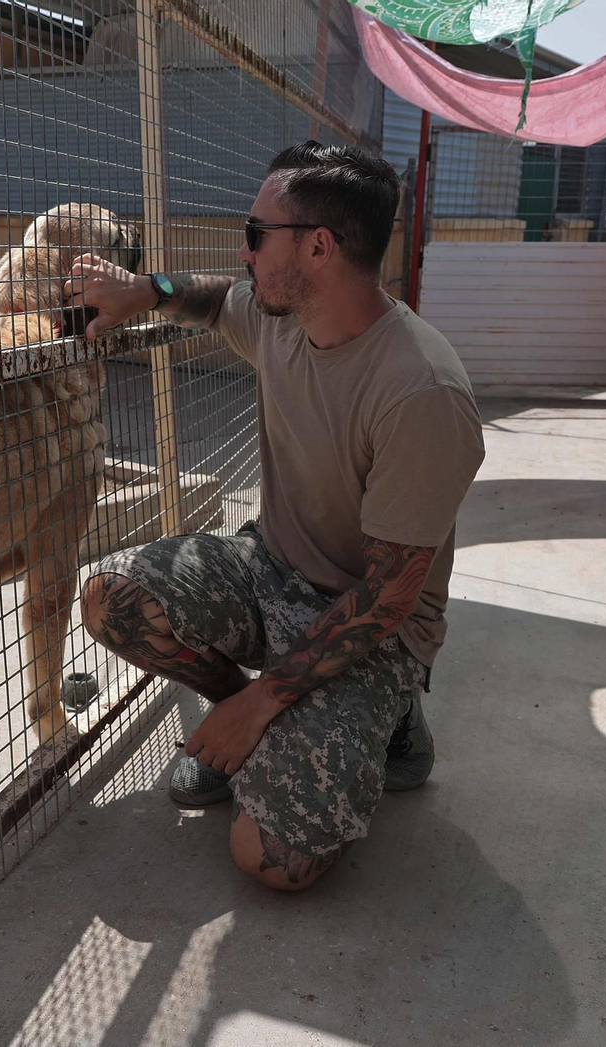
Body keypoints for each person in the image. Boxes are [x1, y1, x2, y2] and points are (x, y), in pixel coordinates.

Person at [62, 141, 485, 892]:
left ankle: (390, 721)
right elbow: (209, 295)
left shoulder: (422, 390)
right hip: (271, 567)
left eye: (257, 233)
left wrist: (259, 703)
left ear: (318, 247)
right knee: (112, 599)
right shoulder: (281, 317)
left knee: (270, 859)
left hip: (375, 629)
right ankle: (259, 730)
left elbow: (388, 596)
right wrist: (144, 289)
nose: (244, 251)